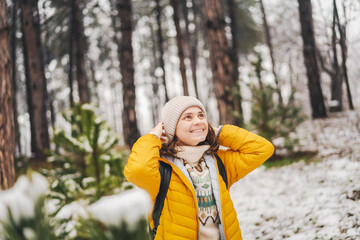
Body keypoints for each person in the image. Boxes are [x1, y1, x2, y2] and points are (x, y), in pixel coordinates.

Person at [124, 96, 274, 240]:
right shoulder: (161, 168)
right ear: (171, 127)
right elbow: (137, 171)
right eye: (188, 117)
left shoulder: (219, 161)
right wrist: (153, 137)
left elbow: (262, 149)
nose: (198, 121)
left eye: (201, 116)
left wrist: (218, 132)